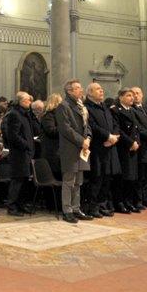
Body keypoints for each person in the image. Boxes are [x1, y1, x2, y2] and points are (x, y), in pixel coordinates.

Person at [56, 80, 92, 223]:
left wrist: (88, 138)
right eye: (78, 88)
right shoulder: (63, 106)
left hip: (83, 148)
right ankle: (67, 210)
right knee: (69, 181)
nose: (81, 90)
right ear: (69, 91)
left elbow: (87, 125)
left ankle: (76, 208)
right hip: (70, 148)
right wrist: (81, 141)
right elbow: (65, 129)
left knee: (78, 181)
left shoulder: (81, 106)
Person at [85, 82, 120, 216]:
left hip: (110, 147)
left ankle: (102, 205)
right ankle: (92, 207)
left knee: (107, 178)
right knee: (97, 179)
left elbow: (115, 123)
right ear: (90, 93)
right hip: (97, 148)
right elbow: (92, 126)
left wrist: (114, 136)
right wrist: (107, 136)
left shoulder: (105, 106)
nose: (101, 91)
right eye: (98, 89)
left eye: (101, 89)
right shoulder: (87, 107)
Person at [0, 91, 37, 217]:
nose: (30, 102)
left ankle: (20, 205)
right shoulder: (14, 115)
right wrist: (26, 145)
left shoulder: (26, 114)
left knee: (24, 180)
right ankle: (11, 206)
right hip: (19, 154)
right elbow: (13, 135)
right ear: (20, 101)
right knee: (17, 180)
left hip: (26, 153)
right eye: (27, 100)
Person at [40, 94, 63, 179]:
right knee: (54, 177)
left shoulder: (58, 115)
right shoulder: (49, 116)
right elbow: (51, 131)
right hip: (52, 152)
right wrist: (65, 127)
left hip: (58, 151)